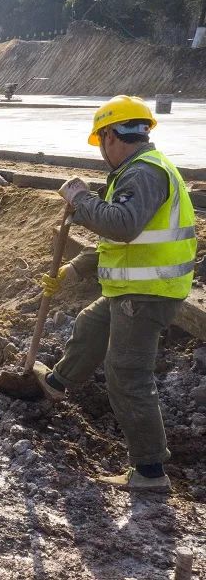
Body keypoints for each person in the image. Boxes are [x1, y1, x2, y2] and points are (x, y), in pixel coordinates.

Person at [35, 95, 196, 492]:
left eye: (101, 140)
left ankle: (149, 471)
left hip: (146, 294)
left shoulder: (142, 173)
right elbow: (125, 244)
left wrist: (81, 199)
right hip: (136, 287)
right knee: (90, 324)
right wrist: (76, 268)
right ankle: (56, 383)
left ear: (110, 135)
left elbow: (122, 226)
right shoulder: (141, 171)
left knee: (126, 374)